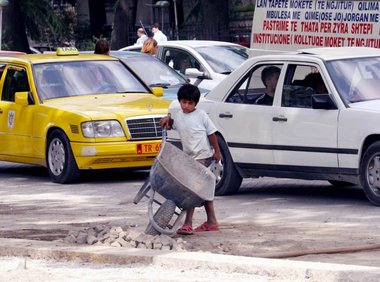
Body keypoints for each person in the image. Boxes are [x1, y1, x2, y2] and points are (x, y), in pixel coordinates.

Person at [160, 84, 221, 235]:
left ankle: (188, 223)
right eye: (183, 102)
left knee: (191, 190)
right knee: (202, 190)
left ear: (195, 103)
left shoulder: (201, 116)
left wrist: (217, 152)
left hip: (203, 157)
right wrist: (167, 119)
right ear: (179, 101)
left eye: (190, 103)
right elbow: (173, 124)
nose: (186, 106)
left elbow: (212, 134)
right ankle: (212, 221)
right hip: (189, 157)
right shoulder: (179, 115)